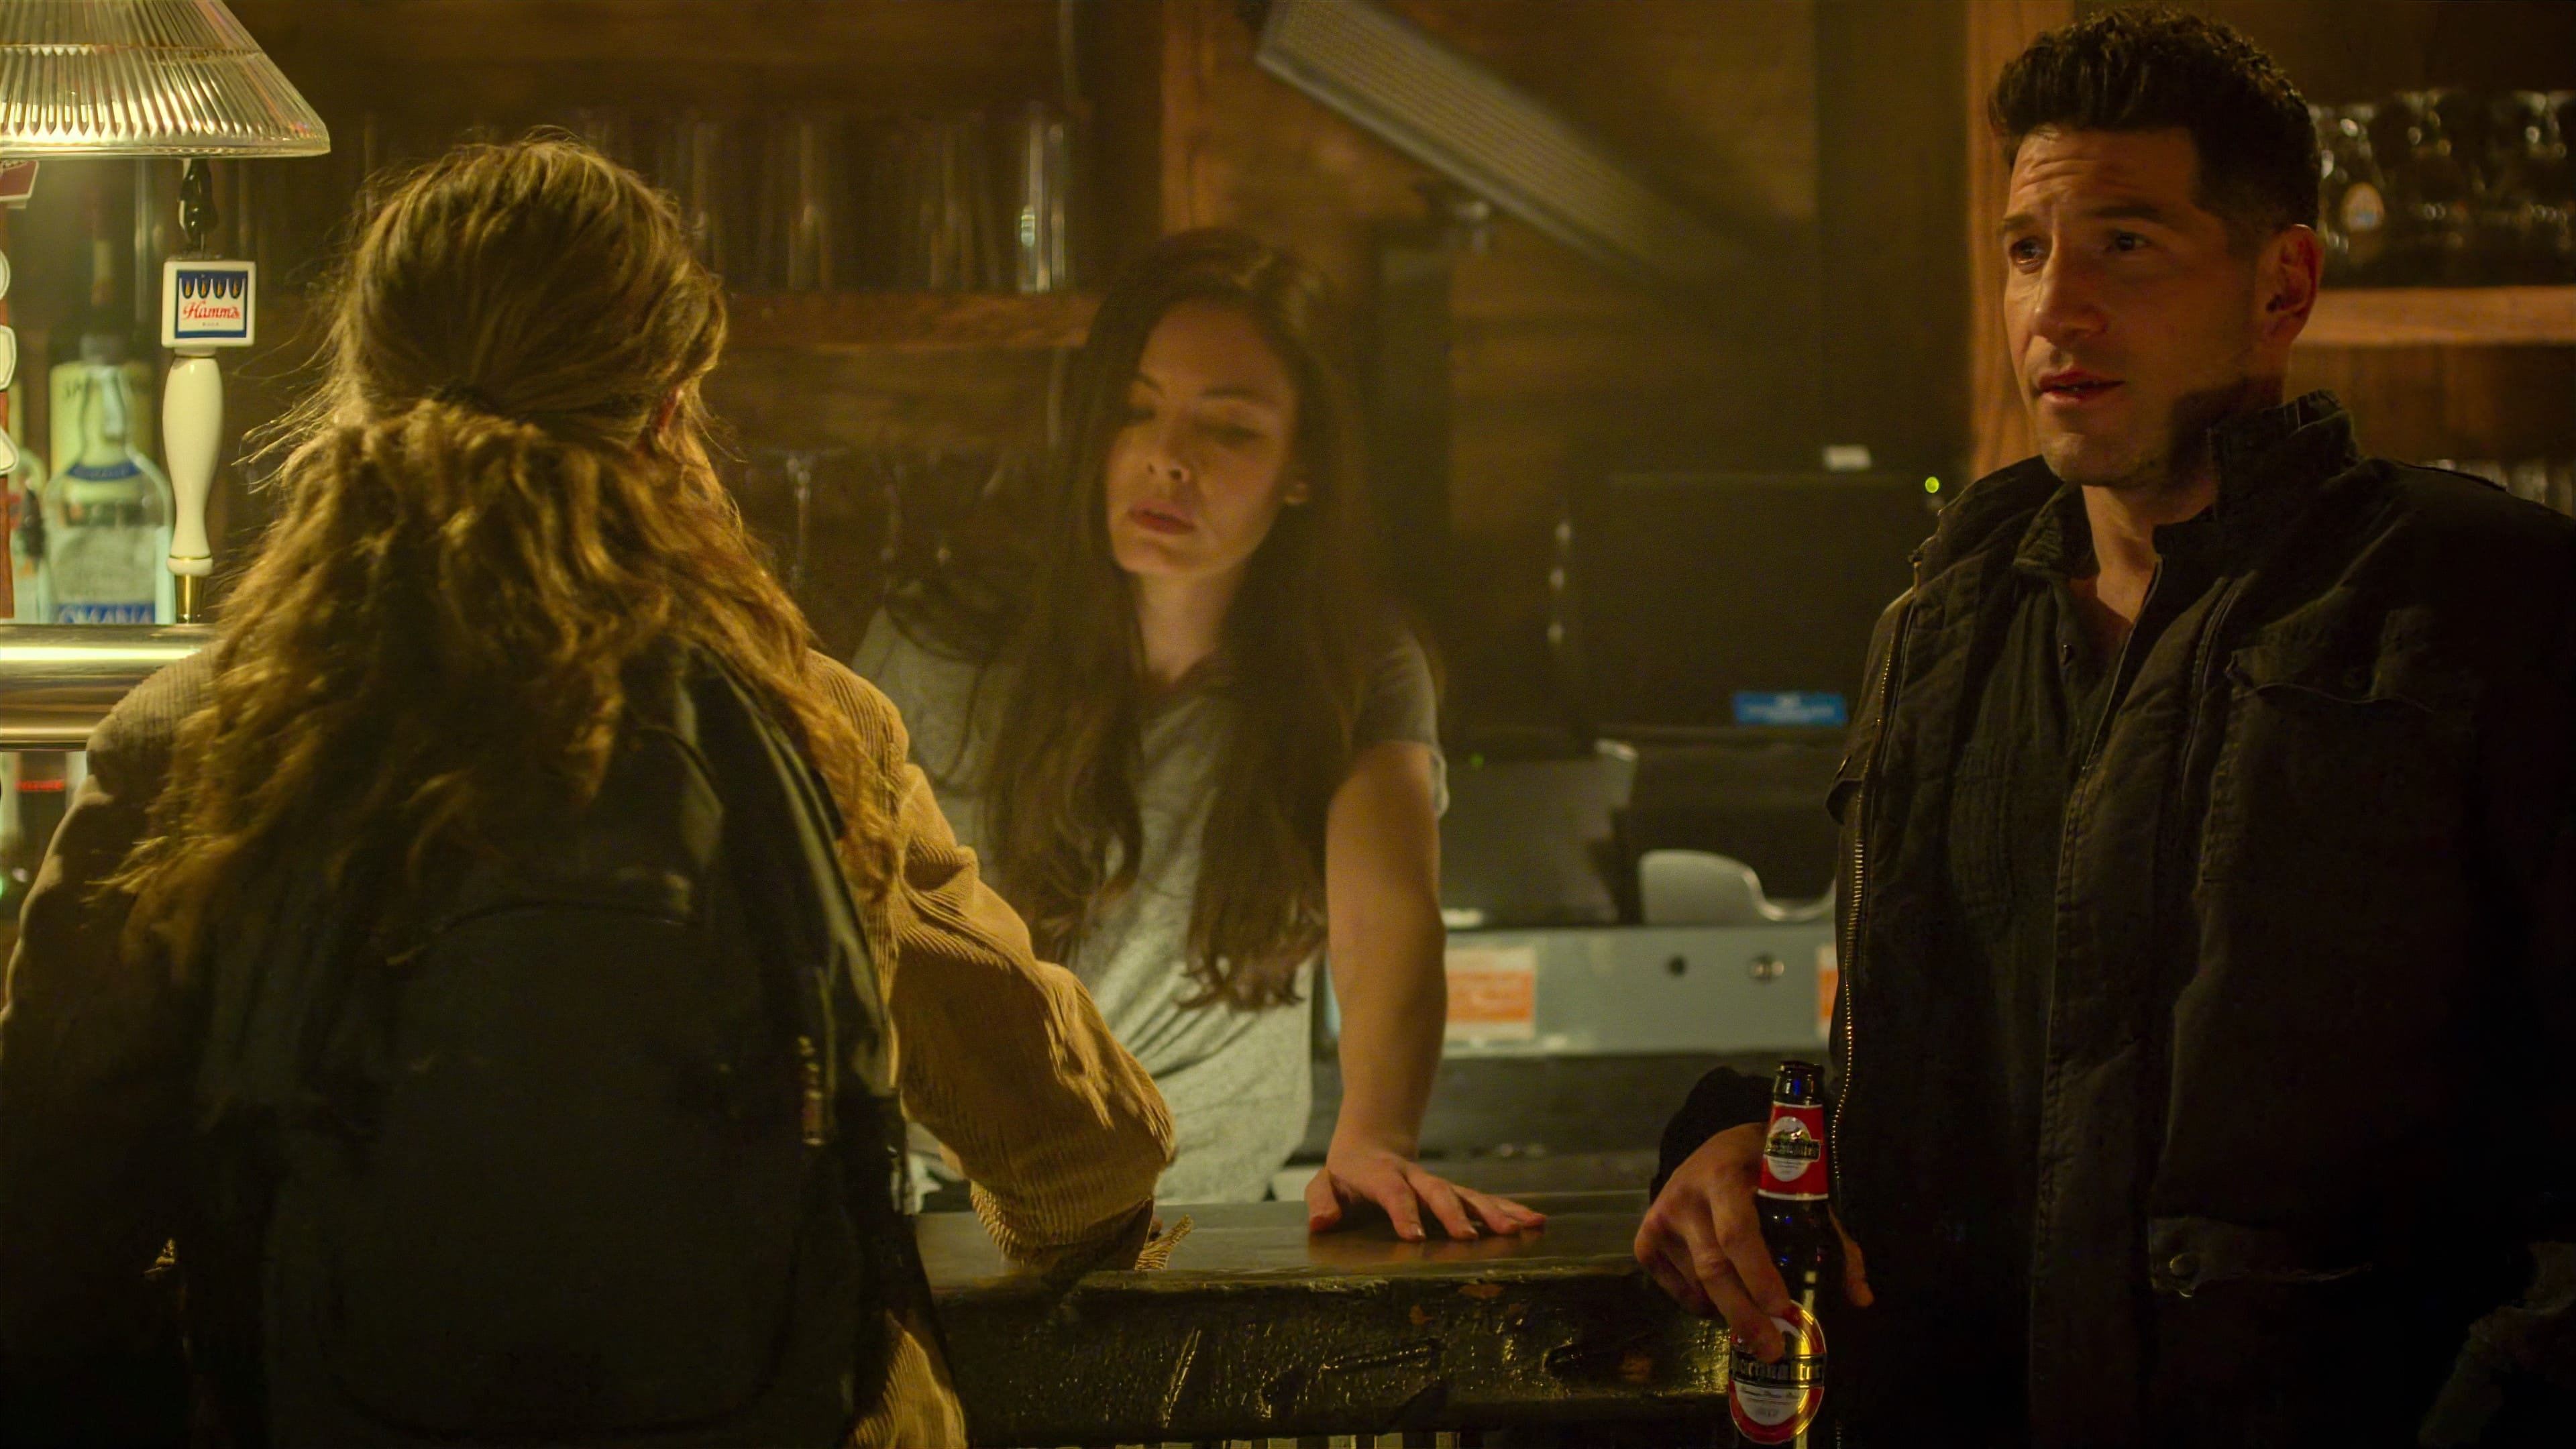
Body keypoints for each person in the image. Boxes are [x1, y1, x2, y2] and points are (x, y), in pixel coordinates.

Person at [0, 138, 1173, 1448]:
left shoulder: (197, 744)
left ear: (362, 395)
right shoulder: (801, 727)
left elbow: (42, 1229)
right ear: (669, 415)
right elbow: (1072, 1161)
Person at [1637, 10, 2576, 1446]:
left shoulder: (2474, 601)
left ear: (2283, 284)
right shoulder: (1943, 632)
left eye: (2126, 244)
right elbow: (1980, 1078)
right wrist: (1740, 1135)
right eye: (2027, 250)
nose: (2055, 309)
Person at [859, 229, 1538, 1239]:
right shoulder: (942, 641)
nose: (1165, 458)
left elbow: (1387, 911)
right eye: (1135, 411)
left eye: (1229, 430)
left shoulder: (1351, 664)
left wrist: (1378, 1136)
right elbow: (833, 912)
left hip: (1203, 1218)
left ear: (1303, 468)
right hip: (949, 1208)